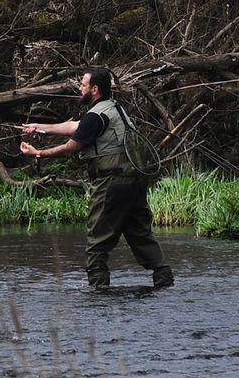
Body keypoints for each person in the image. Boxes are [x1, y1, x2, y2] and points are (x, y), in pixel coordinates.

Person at [20, 68, 174, 290]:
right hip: (134, 182)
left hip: (111, 183)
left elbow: (71, 147)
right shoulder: (114, 109)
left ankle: (98, 296)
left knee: (97, 244)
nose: (79, 89)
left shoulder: (95, 115)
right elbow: (74, 127)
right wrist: (39, 128)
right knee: (140, 235)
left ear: (94, 89)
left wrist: (38, 153)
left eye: (82, 85)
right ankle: (165, 282)